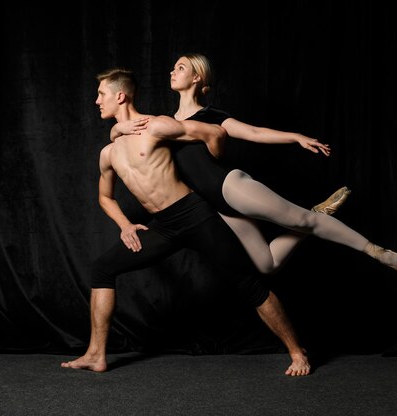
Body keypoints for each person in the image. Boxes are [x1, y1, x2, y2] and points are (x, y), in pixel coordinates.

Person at [61, 68, 322, 376]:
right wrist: (125, 225)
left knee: (248, 283)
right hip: (163, 225)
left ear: (121, 96)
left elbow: (215, 133)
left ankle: (297, 352)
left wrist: (213, 177)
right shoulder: (108, 152)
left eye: (101, 94)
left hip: (194, 214)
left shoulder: (156, 125)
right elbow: (105, 197)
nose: (96, 101)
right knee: (102, 269)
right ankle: (96, 354)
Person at [147, 53, 397, 276]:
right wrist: (114, 132)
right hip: (217, 206)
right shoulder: (164, 125)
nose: (172, 71)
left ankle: (377, 251)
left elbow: (253, 133)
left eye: (180, 67)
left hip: (229, 186)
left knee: (303, 220)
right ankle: (317, 214)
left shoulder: (212, 116)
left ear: (197, 77)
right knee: (267, 264)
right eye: (172, 67)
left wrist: (295, 137)